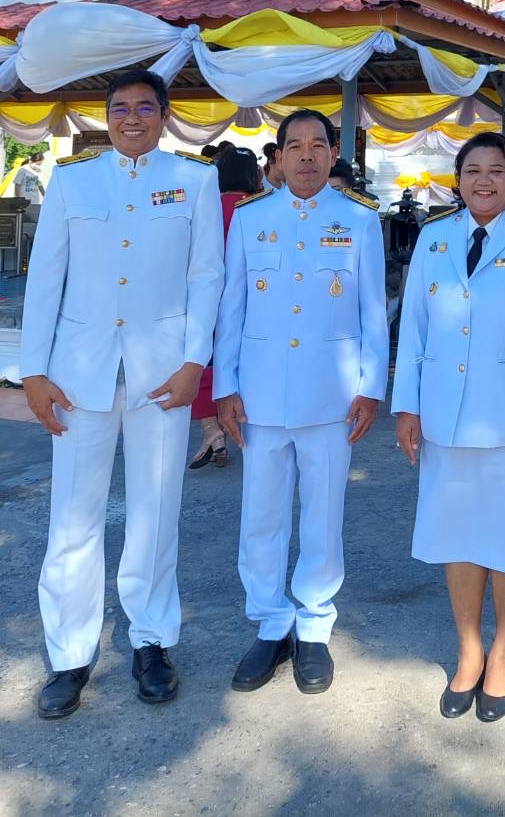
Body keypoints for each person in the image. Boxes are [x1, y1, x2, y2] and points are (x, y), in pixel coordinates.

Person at [19, 69, 224, 718]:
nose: (131, 117)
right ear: (105, 117)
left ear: (163, 116)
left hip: (162, 375)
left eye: (144, 107)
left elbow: (206, 278)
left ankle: (152, 639)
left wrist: (196, 362)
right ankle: (70, 651)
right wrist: (33, 369)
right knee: (73, 520)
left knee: (156, 512)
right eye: (119, 108)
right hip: (79, 372)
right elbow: (46, 278)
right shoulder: (75, 179)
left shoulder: (193, 180)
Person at [392, 133, 505, 724]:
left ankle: (504, 651)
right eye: (472, 170)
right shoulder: (434, 237)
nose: (484, 181)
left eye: (497, 171)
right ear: (458, 179)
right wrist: (407, 405)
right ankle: (469, 648)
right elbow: (415, 327)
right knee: (458, 536)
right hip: (444, 415)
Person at [212, 110, 386, 696]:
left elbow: (372, 312)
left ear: (334, 152)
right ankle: (269, 623)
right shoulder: (250, 219)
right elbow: (231, 307)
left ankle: (313, 626)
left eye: (318, 145)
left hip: (331, 397)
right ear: (278, 159)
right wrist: (224, 387)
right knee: (260, 516)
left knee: (322, 514)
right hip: (258, 395)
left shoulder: (360, 220)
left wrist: (371, 387)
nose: (307, 156)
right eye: (295, 147)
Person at [189, 146, 263, 470]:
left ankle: (211, 431)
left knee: (202, 361)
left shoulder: (206, 208)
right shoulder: (258, 209)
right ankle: (235, 427)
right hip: (252, 303)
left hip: (207, 299)